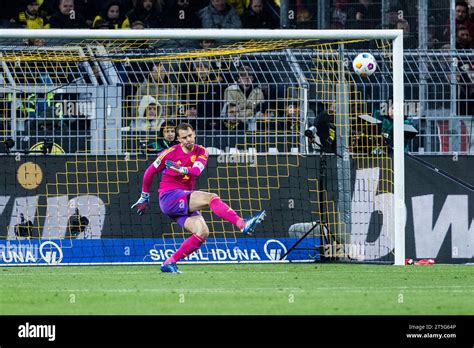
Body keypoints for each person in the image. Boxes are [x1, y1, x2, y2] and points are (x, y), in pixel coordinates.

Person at [131, 123, 266, 273]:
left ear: (194, 134)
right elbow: (149, 173)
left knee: (202, 232)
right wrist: (144, 197)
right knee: (211, 198)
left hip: (183, 198)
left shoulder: (202, 151)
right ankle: (242, 224)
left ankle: (169, 263)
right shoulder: (169, 153)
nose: (188, 139)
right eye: (184, 137)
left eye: (190, 135)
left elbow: (196, 171)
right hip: (169, 196)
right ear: (179, 139)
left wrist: (181, 169)